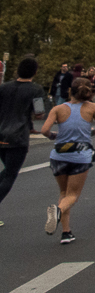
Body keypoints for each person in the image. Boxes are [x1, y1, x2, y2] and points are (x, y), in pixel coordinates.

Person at [41, 77, 95, 243]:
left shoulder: (58, 108)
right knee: (72, 195)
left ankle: (66, 232)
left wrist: (53, 136)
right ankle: (57, 212)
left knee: (64, 193)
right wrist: (89, 133)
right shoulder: (93, 107)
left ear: (70, 91)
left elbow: (44, 130)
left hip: (59, 155)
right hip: (80, 155)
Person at [0, 55, 47, 225]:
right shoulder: (35, 90)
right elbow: (40, 112)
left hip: (1, 134)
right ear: (34, 71)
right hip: (18, 136)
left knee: (6, 171)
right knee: (10, 175)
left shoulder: (4, 88)